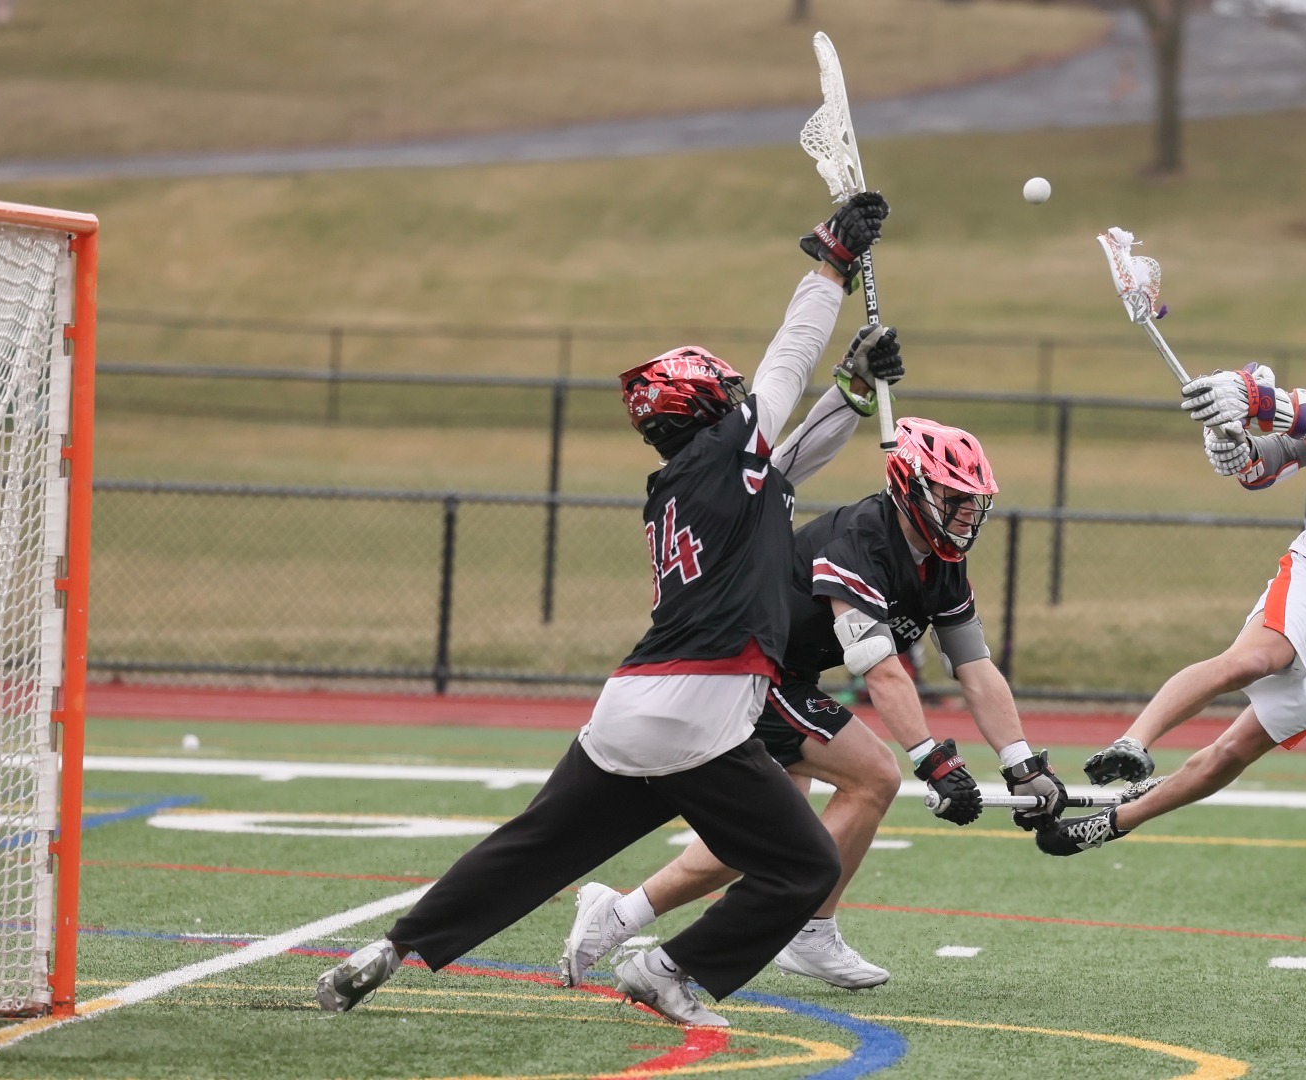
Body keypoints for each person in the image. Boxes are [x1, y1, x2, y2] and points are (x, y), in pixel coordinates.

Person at [314, 191, 890, 1028]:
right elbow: (785, 362)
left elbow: (790, 459)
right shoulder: (729, 455)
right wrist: (830, 266)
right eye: (722, 395)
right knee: (802, 867)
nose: (738, 401)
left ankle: (392, 948)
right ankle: (670, 968)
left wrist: (854, 390)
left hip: (630, 708)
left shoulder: (688, 484)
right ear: (706, 410)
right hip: (700, 710)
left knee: (534, 847)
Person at [561, 417, 1065, 992]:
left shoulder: (942, 559)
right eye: (953, 499)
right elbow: (879, 669)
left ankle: (615, 917)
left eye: (972, 503)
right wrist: (932, 758)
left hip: (782, 671)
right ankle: (810, 932)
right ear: (912, 485)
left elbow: (975, 668)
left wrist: (1022, 761)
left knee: (758, 841)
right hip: (745, 665)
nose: (966, 516)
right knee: (874, 775)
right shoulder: (861, 539)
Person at [1033, 280, 1306, 858]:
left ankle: (1118, 821)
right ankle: (1133, 743)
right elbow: (1270, 466)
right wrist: (1238, 443)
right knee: (1255, 658)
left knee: (1236, 749)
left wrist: (1257, 397)